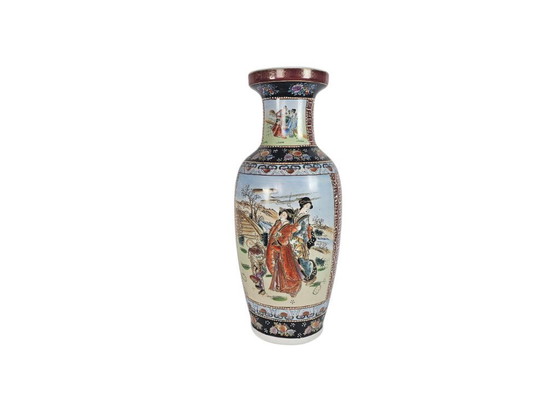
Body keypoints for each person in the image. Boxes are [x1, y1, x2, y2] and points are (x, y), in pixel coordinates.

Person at [266, 208, 304, 297]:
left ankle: (293, 288)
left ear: (288, 217)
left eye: (284, 214)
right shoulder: (278, 224)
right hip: (275, 248)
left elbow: (285, 240)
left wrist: (278, 240)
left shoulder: (288, 226)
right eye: (281, 214)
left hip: (284, 250)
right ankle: (283, 287)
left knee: (287, 269)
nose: (282, 215)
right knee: (279, 268)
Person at [291, 197, 317, 283]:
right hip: (292, 237)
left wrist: (294, 234)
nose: (307, 209)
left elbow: (303, 230)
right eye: (306, 206)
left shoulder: (305, 217)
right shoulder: (296, 213)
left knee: (301, 257)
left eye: (309, 207)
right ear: (303, 205)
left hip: (300, 238)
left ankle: (308, 274)